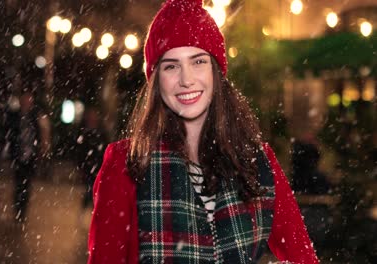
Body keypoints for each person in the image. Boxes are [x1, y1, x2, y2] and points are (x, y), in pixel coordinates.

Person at [87, 0, 319, 263]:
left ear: (215, 71)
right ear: (156, 81)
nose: (186, 79)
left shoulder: (257, 163)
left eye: (198, 61)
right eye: (171, 66)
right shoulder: (126, 164)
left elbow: (304, 258)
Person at [7, 91, 40, 222]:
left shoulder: (33, 117)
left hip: (29, 156)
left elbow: (37, 135)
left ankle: (22, 212)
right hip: (18, 155)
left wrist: (36, 150)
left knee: (26, 185)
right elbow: (11, 135)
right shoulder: (14, 117)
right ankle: (18, 211)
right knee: (18, 184)